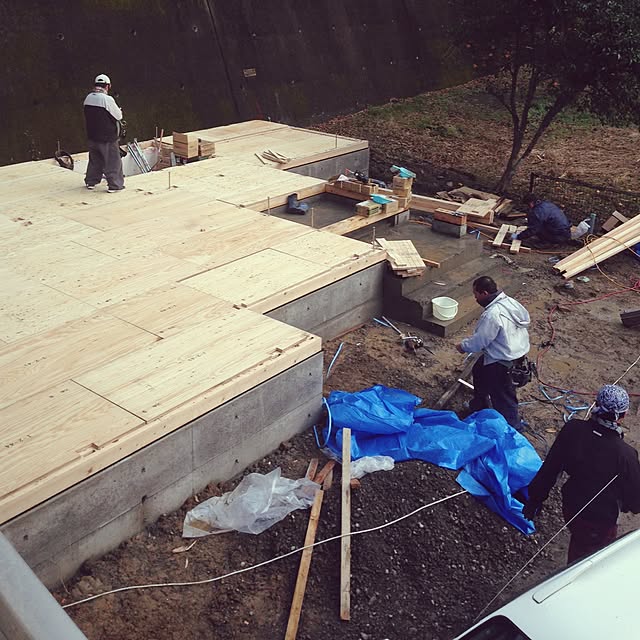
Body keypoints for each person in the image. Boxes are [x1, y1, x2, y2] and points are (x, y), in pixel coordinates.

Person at [523, 384, 640, 564]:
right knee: (587, 561)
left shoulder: (573, 429)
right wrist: (626, 505)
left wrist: (535, 499)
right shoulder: (626, 455)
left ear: (596, 405)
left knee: (580, 542)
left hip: (570, 506)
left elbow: (551, 467)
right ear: (623, 416)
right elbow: (636, 501)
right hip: (598, 522)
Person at [455, 276, 530, 430]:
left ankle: (513, 428)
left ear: (484, 293)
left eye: (476, 294)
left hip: (502, 361)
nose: (475, 298)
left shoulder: (492, 315)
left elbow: (480, 341)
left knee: (504, 396)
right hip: (516, 354)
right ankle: (478, 405)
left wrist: (463, 346)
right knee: (479, 370)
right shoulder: (510, 302)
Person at [83, 73, 125, 192]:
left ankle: (91, 181)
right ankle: (115, 185)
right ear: (107, 86)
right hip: (107, 138)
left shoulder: (88, 98)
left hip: (92, 136)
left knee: (95, 160)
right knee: (113, 161)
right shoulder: (107, 99)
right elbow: (118, 116)